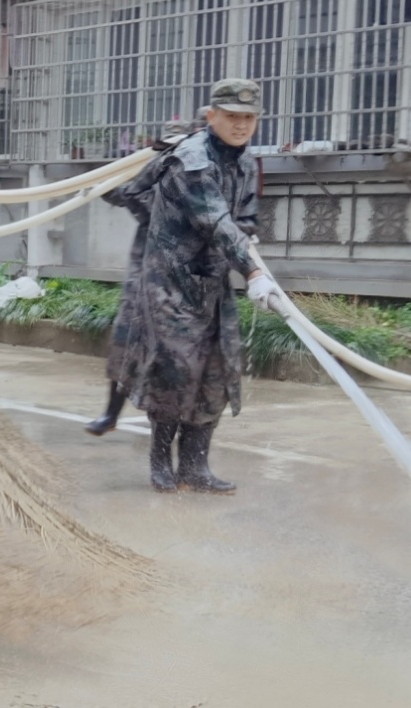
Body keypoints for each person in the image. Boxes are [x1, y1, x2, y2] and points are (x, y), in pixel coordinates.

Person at [116, 78, 283, 494]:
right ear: (212, 116)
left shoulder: (245, 162)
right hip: (169, 283)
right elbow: (214, 220)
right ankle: (160, 462)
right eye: (232, 117)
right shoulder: (192, 158)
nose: (241, 125)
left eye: (249, 118)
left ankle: (195, 466)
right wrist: (254, 272)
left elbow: (242, 219)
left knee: (217, 369)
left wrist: (248, 246)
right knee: (174, 370)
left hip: (212, 280)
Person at [85, 116, 198, 437]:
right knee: (125, 345)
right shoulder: (150, 175)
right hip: (143, 276)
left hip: (180, 283)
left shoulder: (195, 181)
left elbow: (143, 201)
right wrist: (112, 175)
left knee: (175, 359)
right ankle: (110, 415)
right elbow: (117, 193)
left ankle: (171, 429)